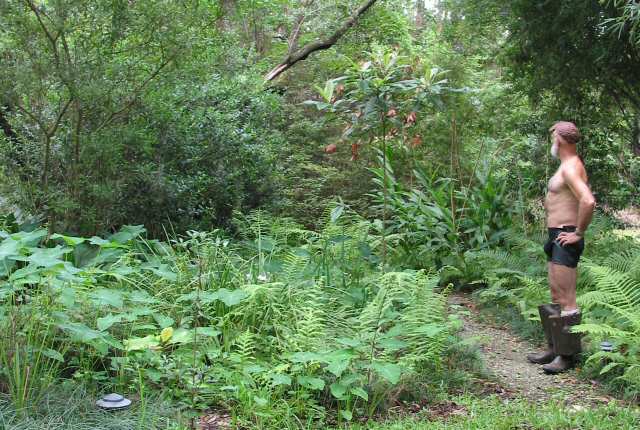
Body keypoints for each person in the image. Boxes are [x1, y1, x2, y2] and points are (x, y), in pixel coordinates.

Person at [526, 121, 596, 374]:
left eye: (554, 137)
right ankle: (555, 349)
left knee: (567, 298)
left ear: (561, 141)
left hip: (566, 235)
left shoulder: (570, 168)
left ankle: (567, 357)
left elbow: (587, 201)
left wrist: (578, 233)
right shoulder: (566, 166)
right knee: (556, 295)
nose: (552, 142)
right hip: (556, 235)